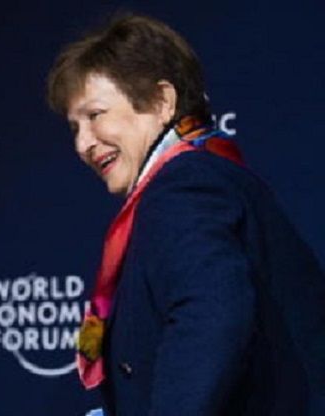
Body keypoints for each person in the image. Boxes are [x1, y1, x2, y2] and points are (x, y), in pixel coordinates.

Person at [47, 14, 325, 415]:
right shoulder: (206, 177)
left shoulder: (183, 188)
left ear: (162, 102)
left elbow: (211, 314)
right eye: (75, 128)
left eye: (95, 116)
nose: (83, 144)